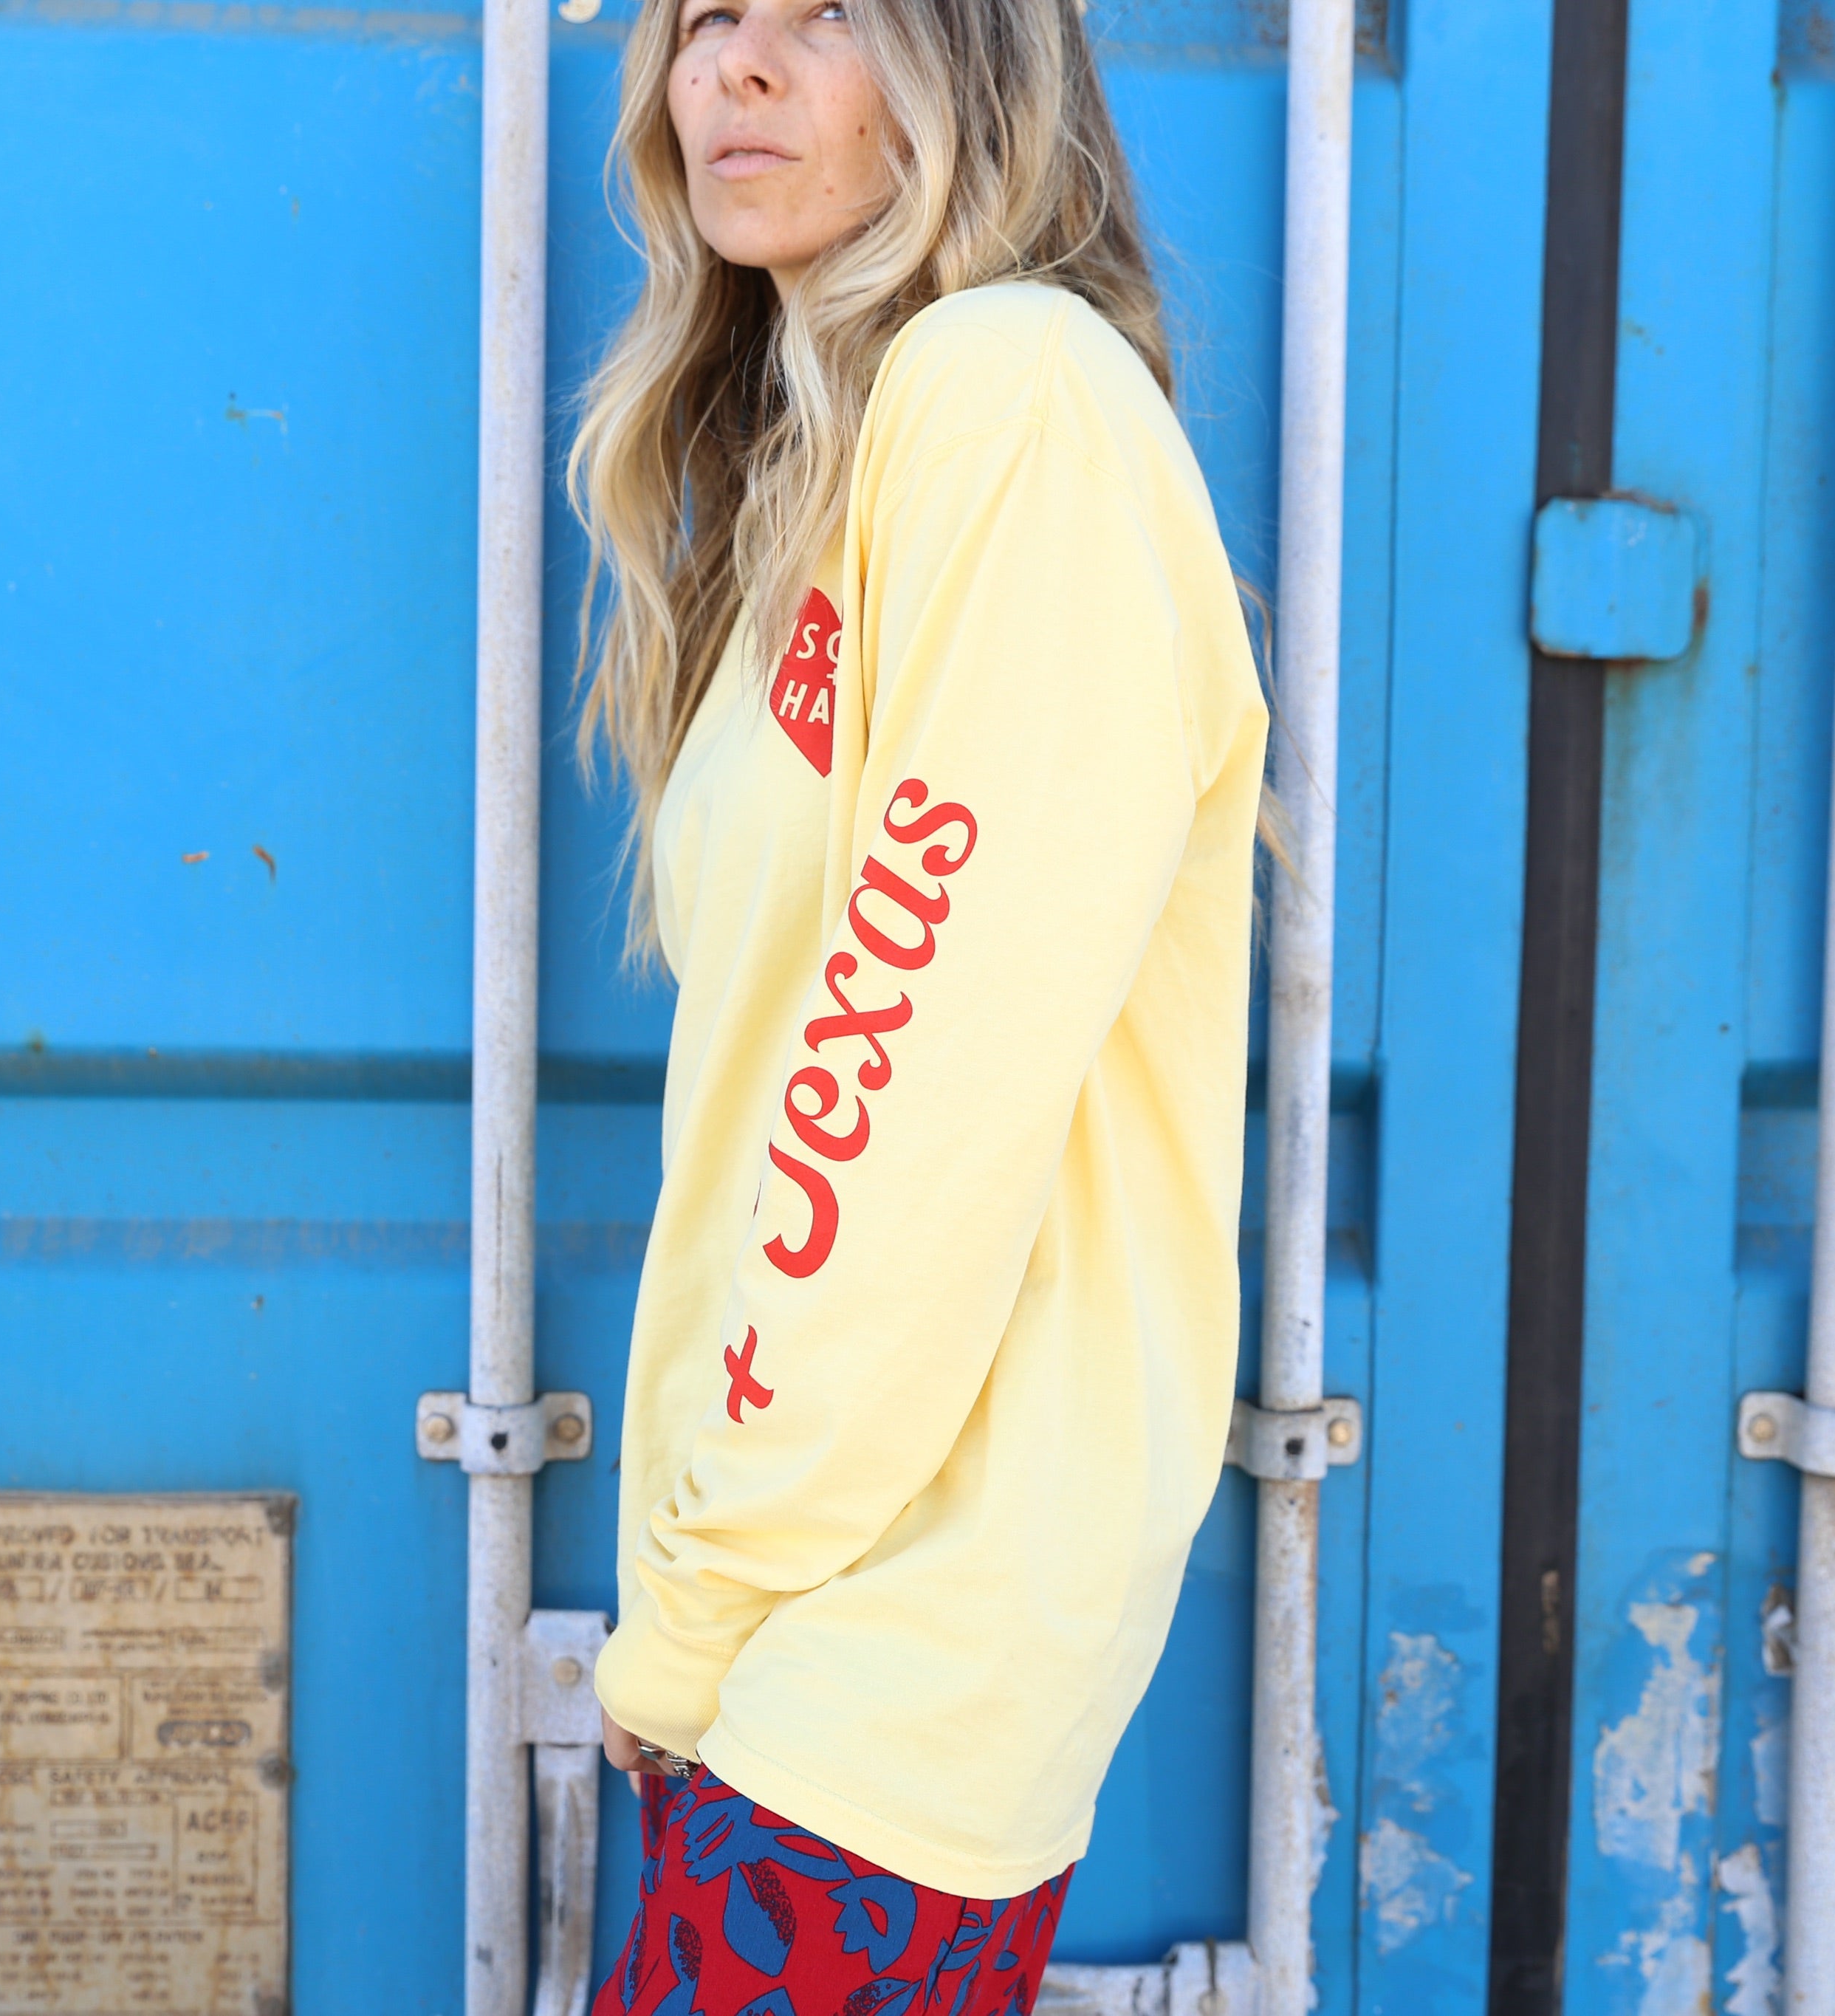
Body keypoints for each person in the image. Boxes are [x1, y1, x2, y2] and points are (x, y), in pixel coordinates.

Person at [566, 0, 1268, 2003]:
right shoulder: (840, 461)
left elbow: (906, 1091)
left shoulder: (1009, 397)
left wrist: (702, 1598)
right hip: (818, 1631)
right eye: (708, 17)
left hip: (880, 1648)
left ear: (971, 67)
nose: (736, 68)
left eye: (822, 16)